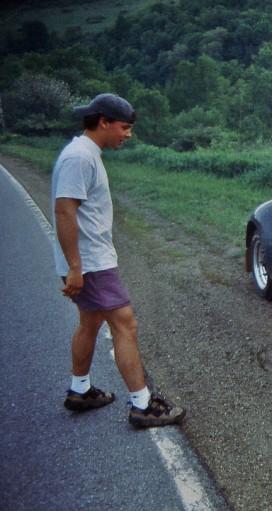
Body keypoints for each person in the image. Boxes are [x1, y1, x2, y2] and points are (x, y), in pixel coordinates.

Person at [52, 93, 185, 428]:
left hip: (90, 260)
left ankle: (79, 390)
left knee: (91, 322)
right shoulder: (79, 158)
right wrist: (75, 267)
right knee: (125, 324)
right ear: (103, 122)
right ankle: (142, 404)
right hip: (91, 262)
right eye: (124, 127)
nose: (128, 134)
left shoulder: (85, 154)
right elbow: (64, 211)